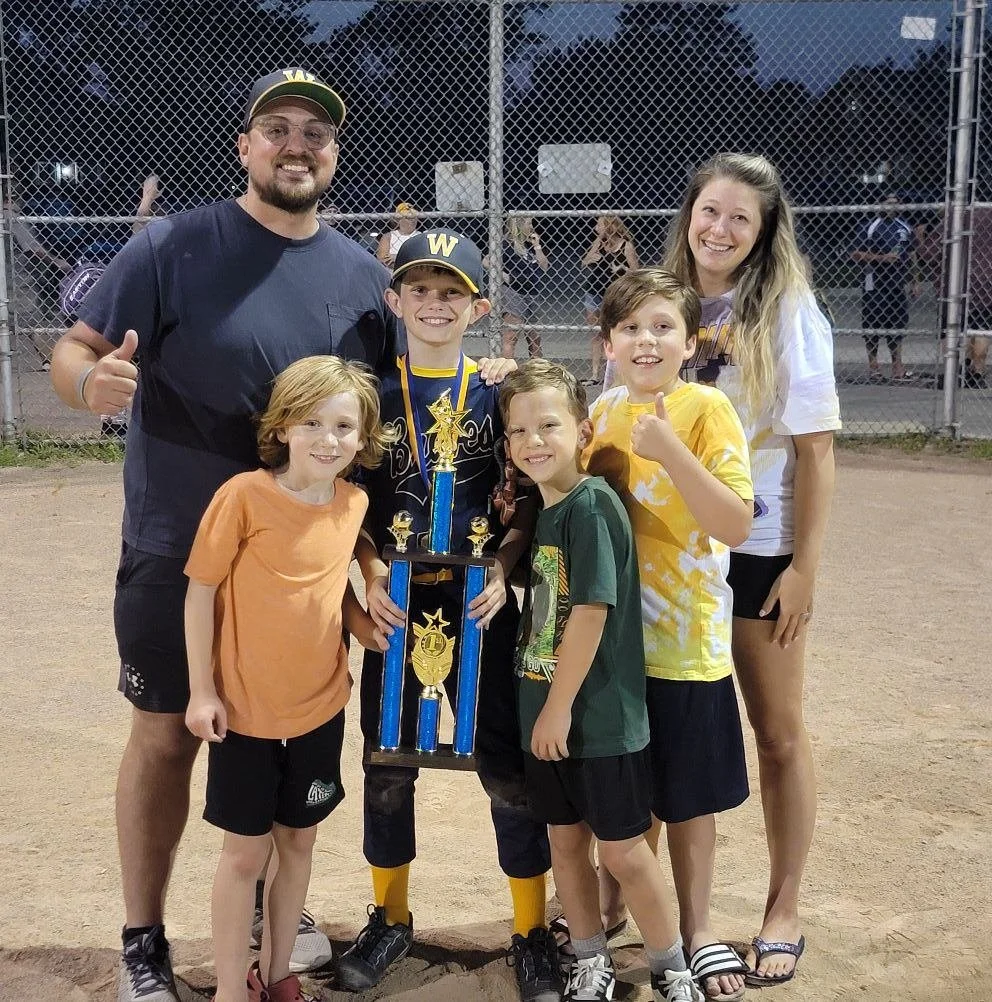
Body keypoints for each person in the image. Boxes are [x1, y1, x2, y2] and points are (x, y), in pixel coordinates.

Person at [49, 67, 398, 1002]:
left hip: (297, 570)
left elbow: (365, 444)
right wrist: (89, 384)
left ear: (334, 153)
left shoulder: (365, 278)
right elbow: (74, 347)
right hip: (180, 548)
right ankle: (142, 940)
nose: (296, 144)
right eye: (276, 127)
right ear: (244, 146)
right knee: (166, 736)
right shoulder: (175, 246)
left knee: (284, 738)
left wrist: (365, 566)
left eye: (315, 132)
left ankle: (265, 912)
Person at [336, 229, 558, 1002]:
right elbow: (347, 498)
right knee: (387, 767)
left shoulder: (501, 397)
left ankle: (531, 929)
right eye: (419, 290)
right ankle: (389, 916)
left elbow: (527, 503)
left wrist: (502, 565)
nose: (435, 304)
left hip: (480, 609)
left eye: (451, 292)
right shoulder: (366, 395)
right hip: (397, 609)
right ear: (394, 300)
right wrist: (366, 567)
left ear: (478, 306)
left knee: (507, 773)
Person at [657, 153, 840, 989]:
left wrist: (804, 565)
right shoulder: (664, 303)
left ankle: (782, 907)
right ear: (688, 212)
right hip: (667, 546)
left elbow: (815, 451)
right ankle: (642, 899)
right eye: (709, 210)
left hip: (757, 549)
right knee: (660, 726)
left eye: (740, 219)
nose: (719, 229)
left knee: (777, 731)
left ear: (763, 234)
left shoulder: (787, 310)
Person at [184, 355, 390, 1002]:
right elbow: (199, 593)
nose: (328, 439)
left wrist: (363, 614)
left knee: (298, 844)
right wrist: (201, 689)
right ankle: (228, 986)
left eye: (343, 426)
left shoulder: (352, 501)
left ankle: (277, 974)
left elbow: (339, 572)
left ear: (363, 439)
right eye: (312, 423)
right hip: (243, 710)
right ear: (282, 428)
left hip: (320, 707)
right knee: (244, 856)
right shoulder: (243, 496)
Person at [499, 359, 703, 1002]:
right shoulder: (546, 510)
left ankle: (671, 964)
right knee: (565, 846)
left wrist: (557, 708)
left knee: (622, 852)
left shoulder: (590, 506)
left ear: (583, 430)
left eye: (549, 425)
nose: (534, 440)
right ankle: (590, 960)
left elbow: (590, 613)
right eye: (519, 430)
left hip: (597, 718)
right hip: (548, 713)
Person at [584, 270, 753, 1002]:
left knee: (688, 802)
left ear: (691, 340)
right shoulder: (601, 411)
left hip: (688, 648)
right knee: (628, 795)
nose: (645, 341)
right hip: (618, 647)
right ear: (608, 342)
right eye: (630, 328)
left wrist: (668, 449)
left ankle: (700, 926)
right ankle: (619, 904)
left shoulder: (706, 408)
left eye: (662, 327)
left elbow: (736, 524)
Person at [851, 193, 920, 383]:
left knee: (897, 325)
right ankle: (874, 368)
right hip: (874, 284)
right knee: (872, 324)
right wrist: (882, 259)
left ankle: (897, 367)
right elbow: (856, 254)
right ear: (880, 205)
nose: (892, 207)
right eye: (888, 203)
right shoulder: (870, 227)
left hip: (897, 283)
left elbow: (912, 253)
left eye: (895, 203)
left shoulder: (904, 226)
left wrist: (915, 281)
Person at [4, 192, 74, 370]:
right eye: (16, 197)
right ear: (8, 199)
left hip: (9, 276)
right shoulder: (12, 218)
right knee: (33, 322)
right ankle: (47, 360)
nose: (20, 202)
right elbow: (33, 248)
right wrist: (56, 261)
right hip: (17, 278)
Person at [579, 216, 639, 385]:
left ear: (609, 225)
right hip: (593, 292)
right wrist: (596, 247)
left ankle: (616, 374)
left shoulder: (626, 245)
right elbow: (585, 262)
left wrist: (622, 270)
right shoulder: (599, 243)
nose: (596, 227)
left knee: (615, 333)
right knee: (596, 334)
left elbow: (635, 271)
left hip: (614, 296)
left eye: (599, 224)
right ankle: (594, 375)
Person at [497, 216, 549, 359]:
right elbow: (487, 261)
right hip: (514, 293)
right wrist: (505, 276)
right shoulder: (506, 245)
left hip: (532, 292)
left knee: (535, 338)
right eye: (528, 224)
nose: (531, 227)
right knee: (511, 336)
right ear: (518, 226)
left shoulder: (528, 245)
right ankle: (506, 374)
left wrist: (537, 245)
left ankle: (536, 372)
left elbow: (544, 266)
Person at [376, 201, 419, 268]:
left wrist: (398, 257)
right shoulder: (389, 236)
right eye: (408, 218)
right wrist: (411, 259)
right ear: (398, 220)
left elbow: (422, 259)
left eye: (413, 217)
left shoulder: (421, 235)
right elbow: (383, 260)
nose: (412, 220)